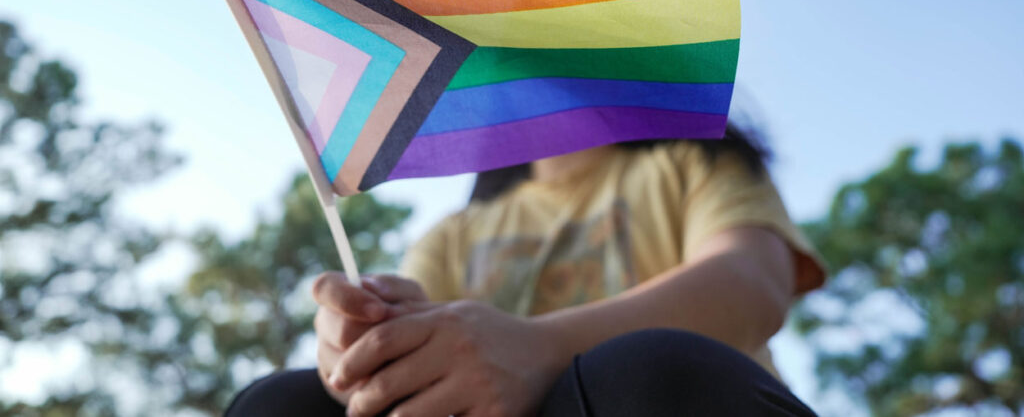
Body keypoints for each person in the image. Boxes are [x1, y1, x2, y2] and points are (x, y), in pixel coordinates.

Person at [226, 127, 826, 416]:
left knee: (647, 370)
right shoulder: (455, 234)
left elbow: (752, 286)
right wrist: (370, 344)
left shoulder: (694, 162)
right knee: (284, 404)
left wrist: (543, 347)